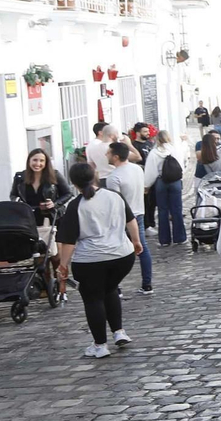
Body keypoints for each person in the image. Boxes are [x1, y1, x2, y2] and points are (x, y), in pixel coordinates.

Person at [55, 162, 142, 358]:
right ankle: (119, 332)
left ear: (73, 182)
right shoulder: (114, 196)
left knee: (93, 299)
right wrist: (136, 241)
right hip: (121, 255)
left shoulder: (76, 205)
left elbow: (68, 241)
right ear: (94, 175)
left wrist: (63, 265)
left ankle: (100, 345)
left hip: (90, 260)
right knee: (110, 289)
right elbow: (131, 220)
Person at [106, 142, 153, 296]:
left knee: (116, 252)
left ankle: (116, 287)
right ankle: (147, 284)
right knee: (142, 248)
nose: (106, 155)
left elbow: (115, 203)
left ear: (116, 157)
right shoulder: (137, 169)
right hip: (139, 212)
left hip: (123, 217)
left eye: (108, 153)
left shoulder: (113, 177)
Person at [144, 130, 187, 245]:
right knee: (177, 209)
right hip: (175, 181)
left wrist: (147, 185)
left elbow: (150, 171)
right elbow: (182, 165)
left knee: (162, 210)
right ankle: (180, 237)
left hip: (161, 181)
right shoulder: (175, 150)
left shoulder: (154, 153)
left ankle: (164, 240)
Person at [9, 148, 72, 226]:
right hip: (28, 217)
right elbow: (13, 195)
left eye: (41, 161)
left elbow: (68, 193)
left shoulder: (55, 175)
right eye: (35, 160)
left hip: (51, 217)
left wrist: (54, 204)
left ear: (46, 163)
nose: (38, 164)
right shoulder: (20, 177)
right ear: (29, 161)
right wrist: (18, 201)